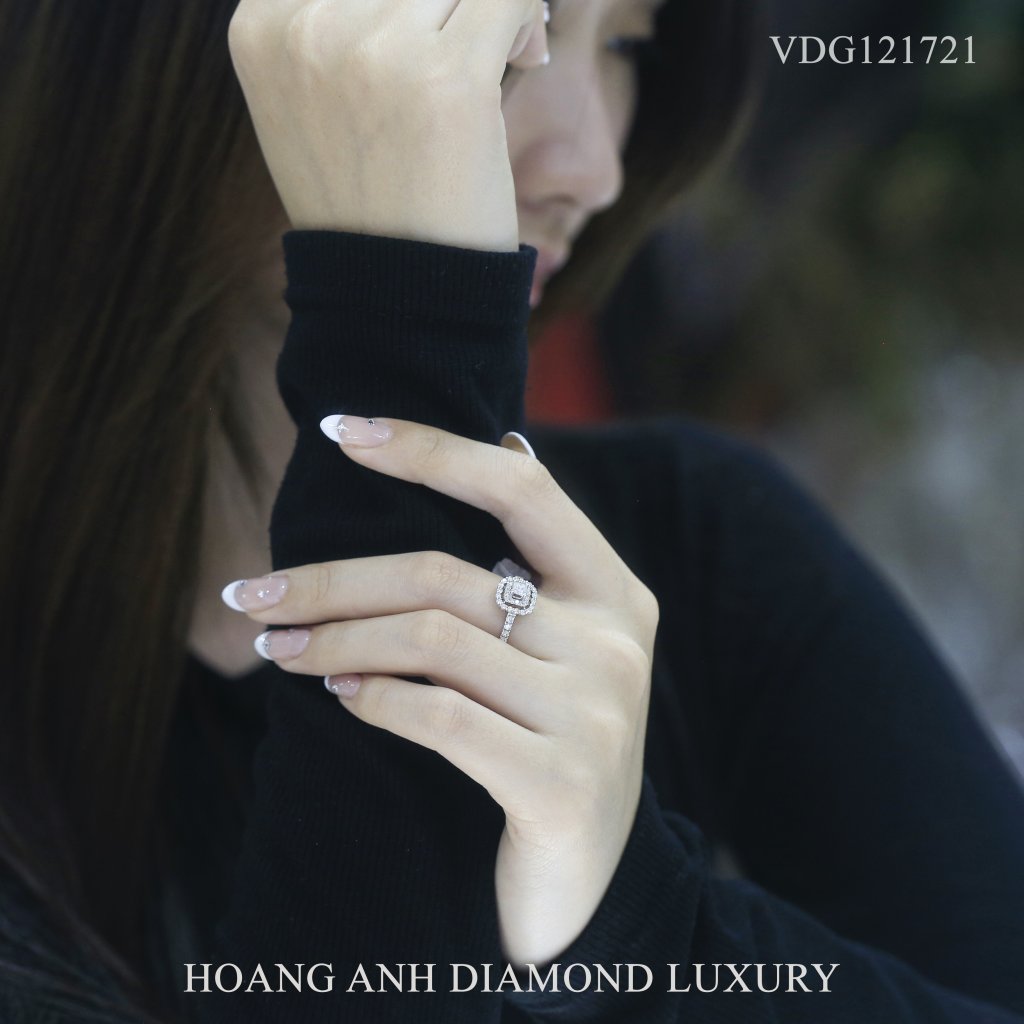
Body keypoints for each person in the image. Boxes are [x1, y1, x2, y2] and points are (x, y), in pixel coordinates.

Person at [1, 1, 1022, 1023]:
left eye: (626, 46)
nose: (592, 167)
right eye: (501, 39)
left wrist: (628, 926)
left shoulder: (692, 535)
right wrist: (402, 312)